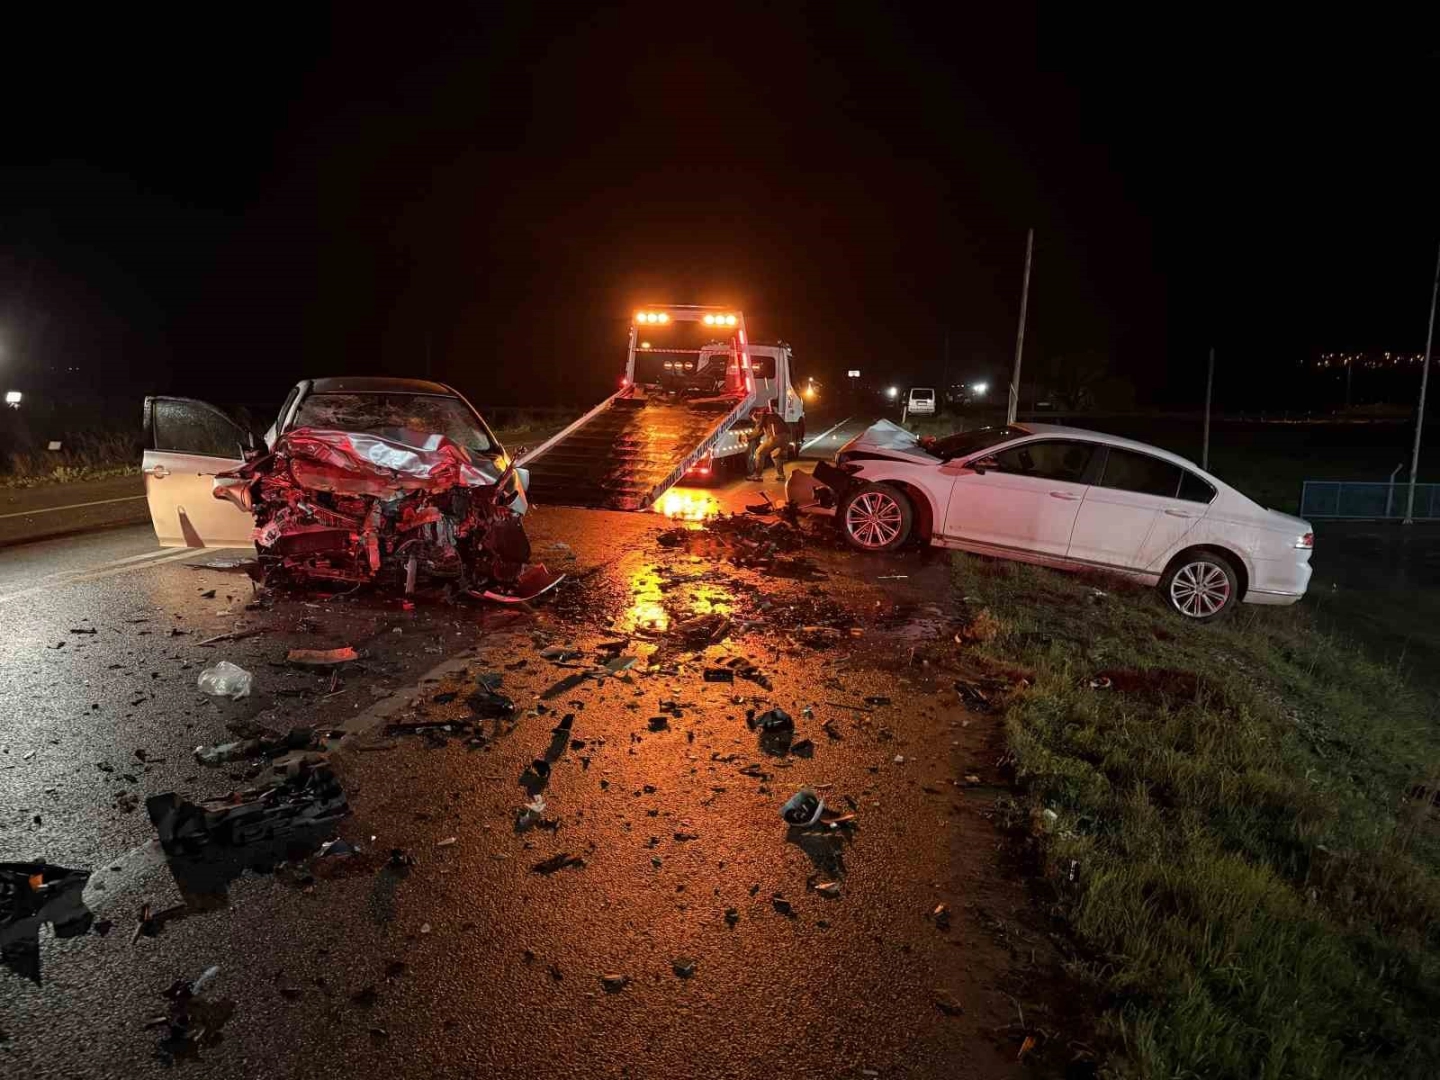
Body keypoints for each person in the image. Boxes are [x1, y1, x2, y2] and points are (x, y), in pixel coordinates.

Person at [747, 402, 791, 481]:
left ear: (754, 414)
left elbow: (758, 429)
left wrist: (747, 437)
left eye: (752, 418)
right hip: (786, 437)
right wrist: (752, 437)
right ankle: (781, 475)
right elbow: (761, 432)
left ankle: (757, 475)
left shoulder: (760, 414)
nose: (754, 420)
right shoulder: (769, 415)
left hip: (776, 436)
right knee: (775, 455)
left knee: (759, 452)